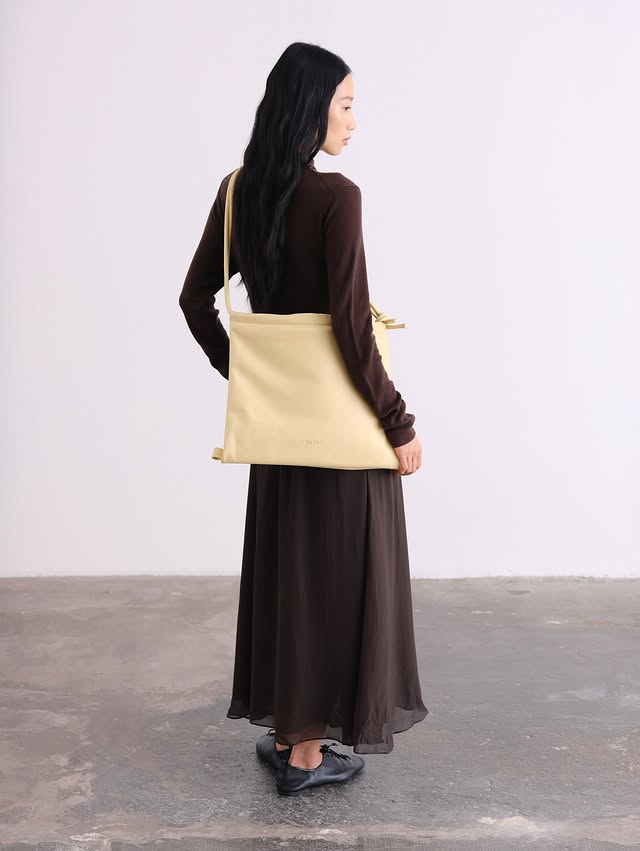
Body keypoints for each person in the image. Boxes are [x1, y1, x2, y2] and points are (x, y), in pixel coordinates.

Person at [179, 42, 428, 796]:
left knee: (291, 577)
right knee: (339, 581)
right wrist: (399, 422)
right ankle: (310, 758)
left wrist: (248, 374)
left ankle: (291, 734)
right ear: (311, 108)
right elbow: (351, 327)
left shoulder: (239, 191)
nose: (353, 120)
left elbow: (194, 300)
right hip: (342, 431)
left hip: (279, 434)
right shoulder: (337, 197)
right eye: (345, 104)